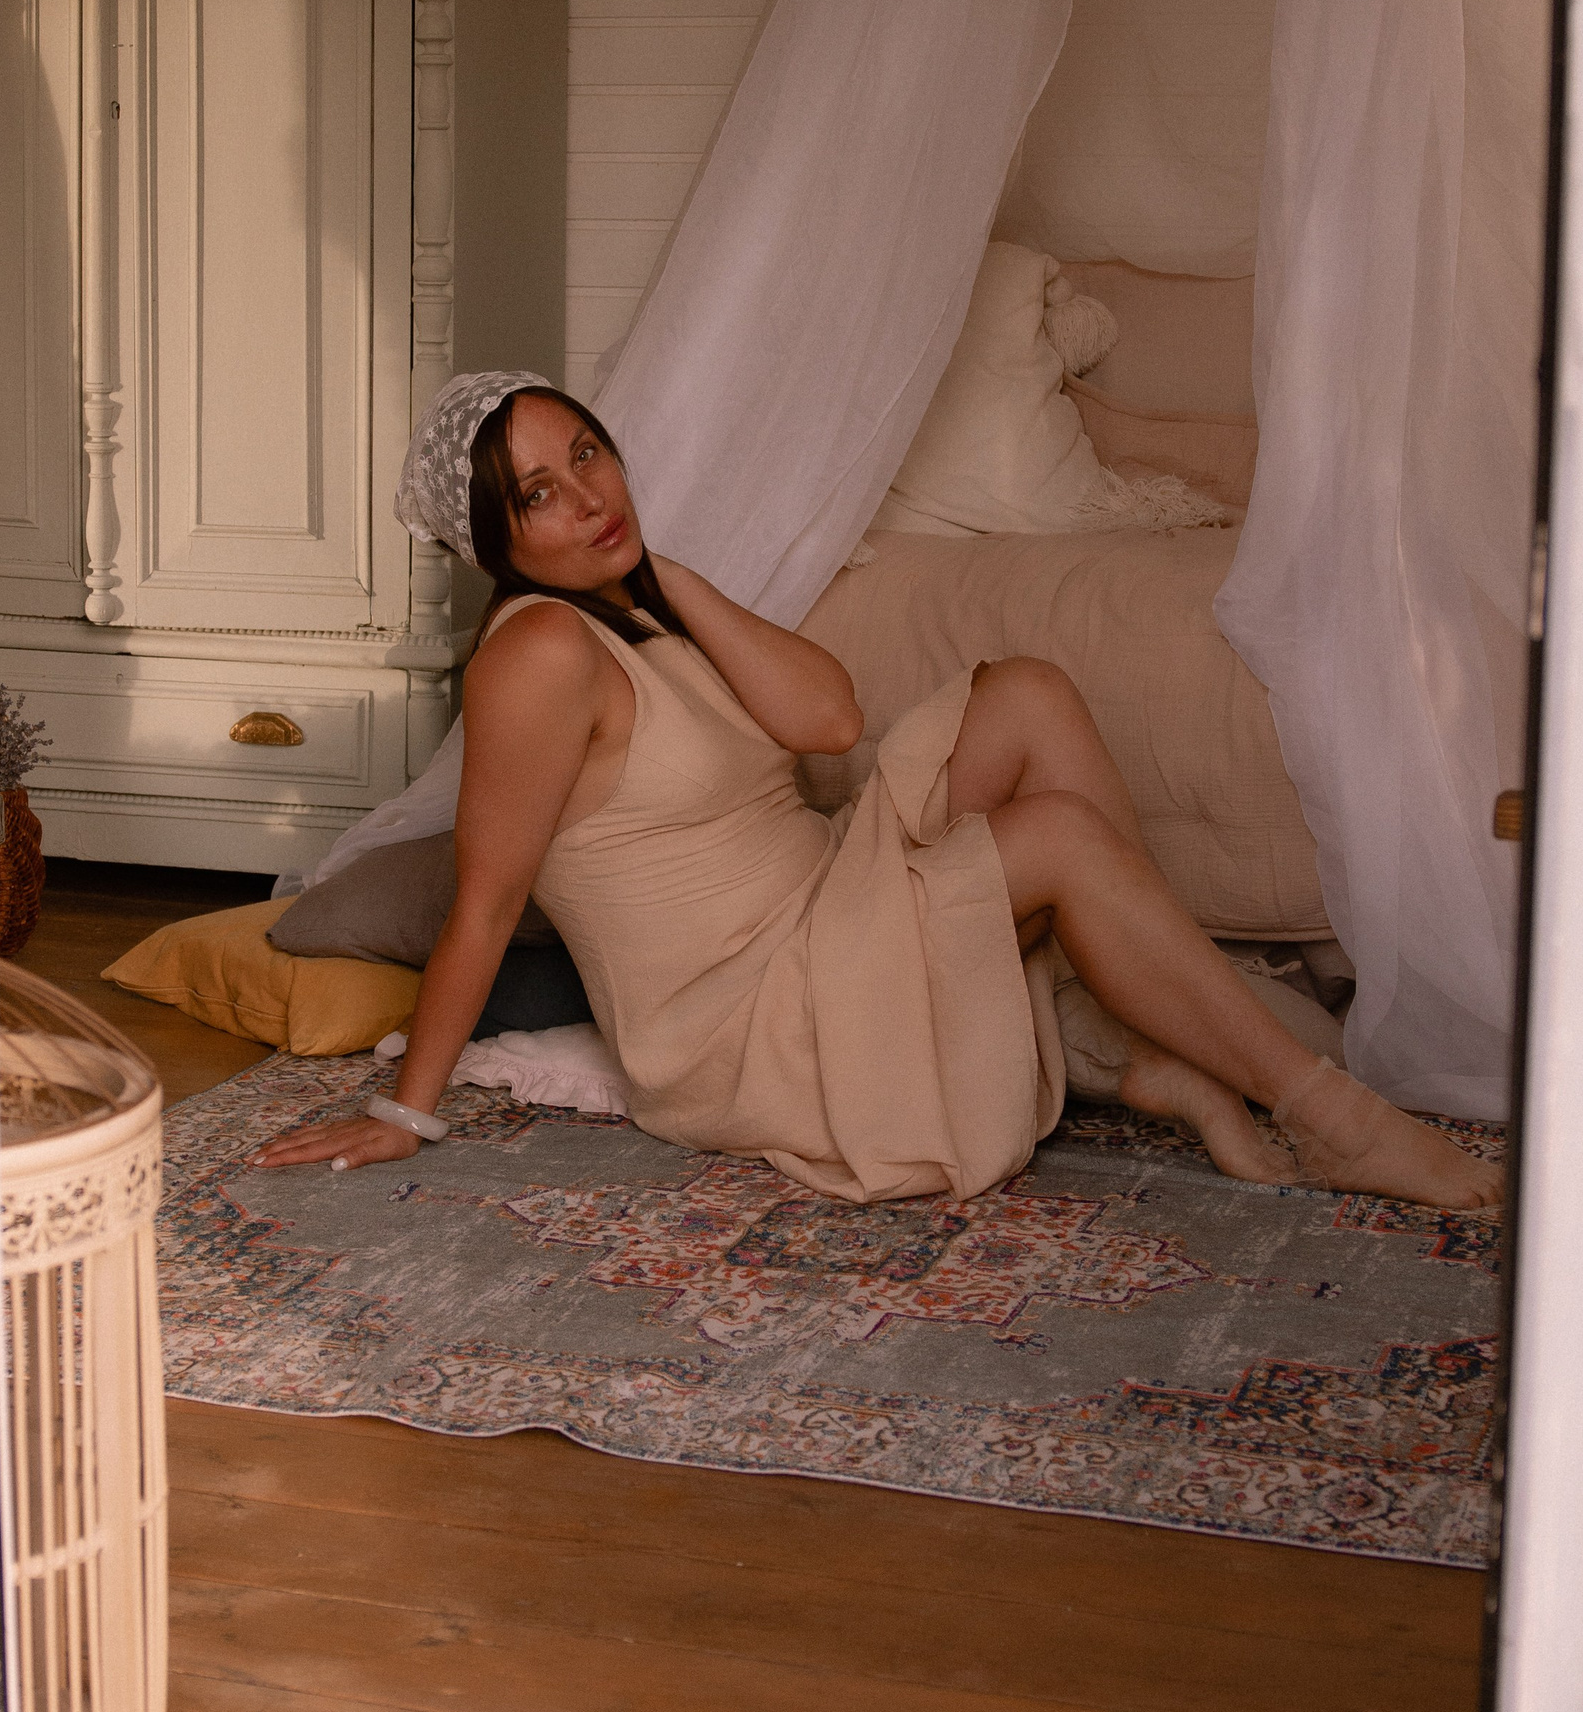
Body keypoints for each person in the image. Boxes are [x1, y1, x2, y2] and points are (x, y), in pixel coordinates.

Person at [253, 372, 1496, 1212]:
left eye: (587, 453)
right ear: (497, 540)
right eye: (539, 495)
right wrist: (406, 1113)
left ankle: (1144, 1047)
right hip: (753, 1019)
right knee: (1056, 839)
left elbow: (831, 721)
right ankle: (1329, 1116)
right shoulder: (536, 654)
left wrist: (655, 571)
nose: (587, 497)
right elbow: (484, 900)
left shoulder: (637, 605)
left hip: (825, 912)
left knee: (1028, 696)